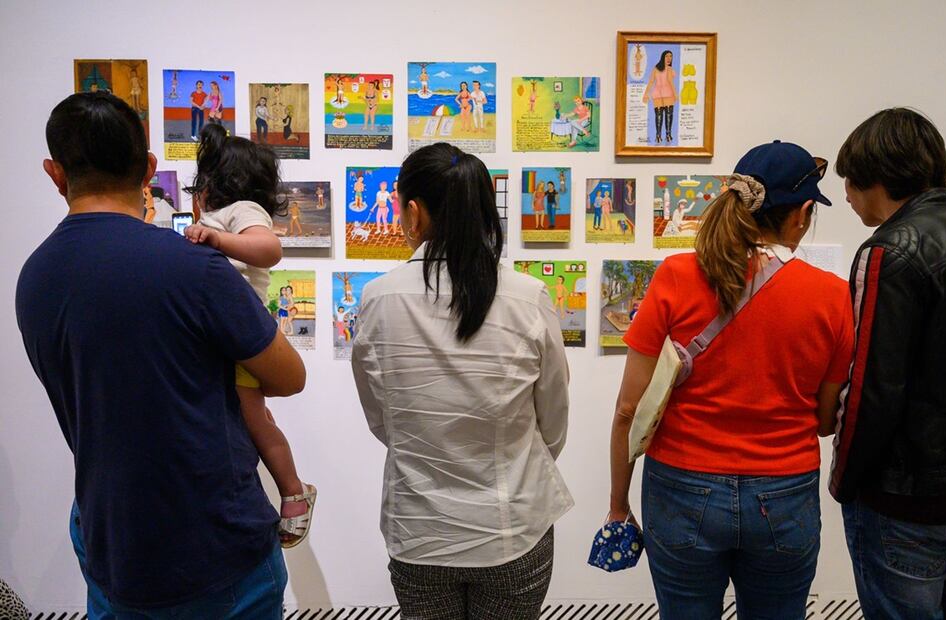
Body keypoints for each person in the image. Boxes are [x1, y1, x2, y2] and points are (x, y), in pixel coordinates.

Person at [16, 92, 305, 617]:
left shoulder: (33, 279)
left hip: (110, 536)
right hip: (215, 540)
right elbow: (289, 376)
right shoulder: (195, 268)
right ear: (148, 168)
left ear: (55, 173)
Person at [607, 140, 854, 619]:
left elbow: (627, 411)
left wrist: (618, 505)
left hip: (680, 487)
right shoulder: (832, 296)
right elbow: (825, 420)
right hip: (784, 494)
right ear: (802, 213)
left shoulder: (676, 276)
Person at [352, 143, 572, 619]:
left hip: (418, 531)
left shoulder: (377, 300)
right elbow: (552, 422)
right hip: (511, 528)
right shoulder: (528, 297)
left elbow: (382, 421)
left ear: (414, 213)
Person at [830, 108, 946, 619]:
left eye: (848, 181)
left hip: (908, 500)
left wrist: (843, 480)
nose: (844, 196)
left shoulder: (889, 249)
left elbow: (872, 389)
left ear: (873, 177)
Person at [183, 123, 316, 549]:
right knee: (247, 417)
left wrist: (217, 238)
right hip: (218, 339)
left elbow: (270, 250)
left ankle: (294, 490)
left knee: (254, 418)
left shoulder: (243, 211)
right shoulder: (212, 217)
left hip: (241, 339)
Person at [642, 50, 677, 144]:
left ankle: (658, 136)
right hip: (668, 93)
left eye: (671, 56)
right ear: (663, 57)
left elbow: (651, 82)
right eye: (667, 56)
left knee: (659, 115)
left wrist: (646, 94)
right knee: (669, 114)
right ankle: (668, 135)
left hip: (656, 94)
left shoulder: (655, 68)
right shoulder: (669, 70)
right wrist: (675, 94)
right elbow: (670, 82)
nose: (669, 58)